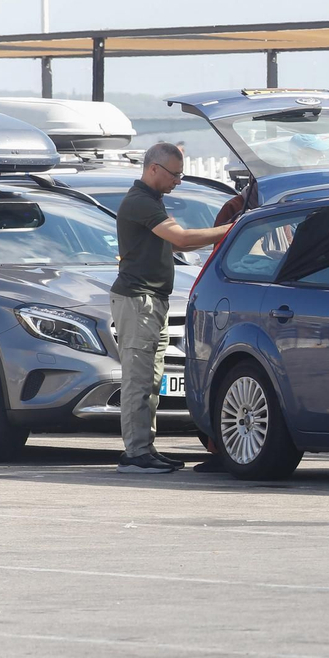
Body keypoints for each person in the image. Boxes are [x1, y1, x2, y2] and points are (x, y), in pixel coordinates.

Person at [110, 143, 236, 474]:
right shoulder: (140, 203)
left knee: (151, 380)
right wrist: (235, 228)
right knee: (139, 379)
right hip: (138, 301)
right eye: (174, 174)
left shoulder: (152, 201)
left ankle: (144, 448)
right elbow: (181, 239)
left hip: (152, 301)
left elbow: (184, 241)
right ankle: (135, 454)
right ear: (153, 169)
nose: (178, 181)